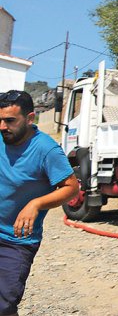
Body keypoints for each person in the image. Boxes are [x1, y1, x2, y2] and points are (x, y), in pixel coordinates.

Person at [0, 90, 78, 316]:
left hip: (16, 241)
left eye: (10, 121)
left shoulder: (46, 149)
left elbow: (71, 188)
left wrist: (36, 203)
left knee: (3, 305)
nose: (3, 127)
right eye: (0, 120)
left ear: (30, 118)